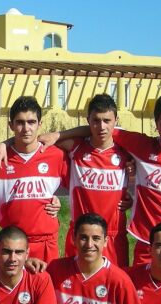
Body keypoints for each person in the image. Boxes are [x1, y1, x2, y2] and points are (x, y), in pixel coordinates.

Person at [34, 94, 161, 274]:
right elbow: (31, 141)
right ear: (156, 122)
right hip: (142, 240)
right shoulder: (141, 146)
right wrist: (58, 135)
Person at [0, 96, 67, 262]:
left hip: (46, 243)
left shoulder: (56, 155)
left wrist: (56, 200)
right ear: (11, 125)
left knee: (47, 287)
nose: (26, 128)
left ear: (40, 124)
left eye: (32, 122)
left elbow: (80, 183)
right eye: (20, 122)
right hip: (13, 245)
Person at [52, 94, 131, 266]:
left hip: (113, 235)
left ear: (116, 120)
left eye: (107, 120)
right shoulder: (76, 146)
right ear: (88, 120)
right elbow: (37, 141)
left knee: (114, 289)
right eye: (95, 120)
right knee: (76, 288)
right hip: (80, 235)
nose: (101, 126)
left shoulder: (126, 151)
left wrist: (133, 200)